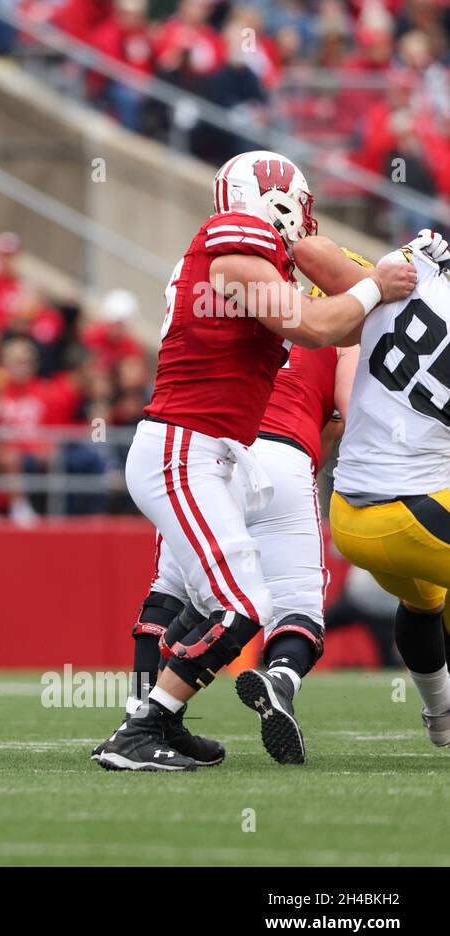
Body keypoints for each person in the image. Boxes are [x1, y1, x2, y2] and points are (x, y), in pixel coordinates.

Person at [92, 150, 418, 771]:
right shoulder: (234, 237)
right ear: (274, 200)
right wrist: (378, 280)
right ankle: (143, 730)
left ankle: (157, 720)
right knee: (245, 604)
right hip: (183, 447)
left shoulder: (244, 255)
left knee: (209, 596)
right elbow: (320, 327)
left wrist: (374, 285)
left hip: (210, 452)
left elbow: (347, 326)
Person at [304, 232, 450, 749]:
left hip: (349, 514)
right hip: (411, 513)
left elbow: (310, 251)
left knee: (426, 602)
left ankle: (440, 712)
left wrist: (376, 284)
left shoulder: (417, 266)